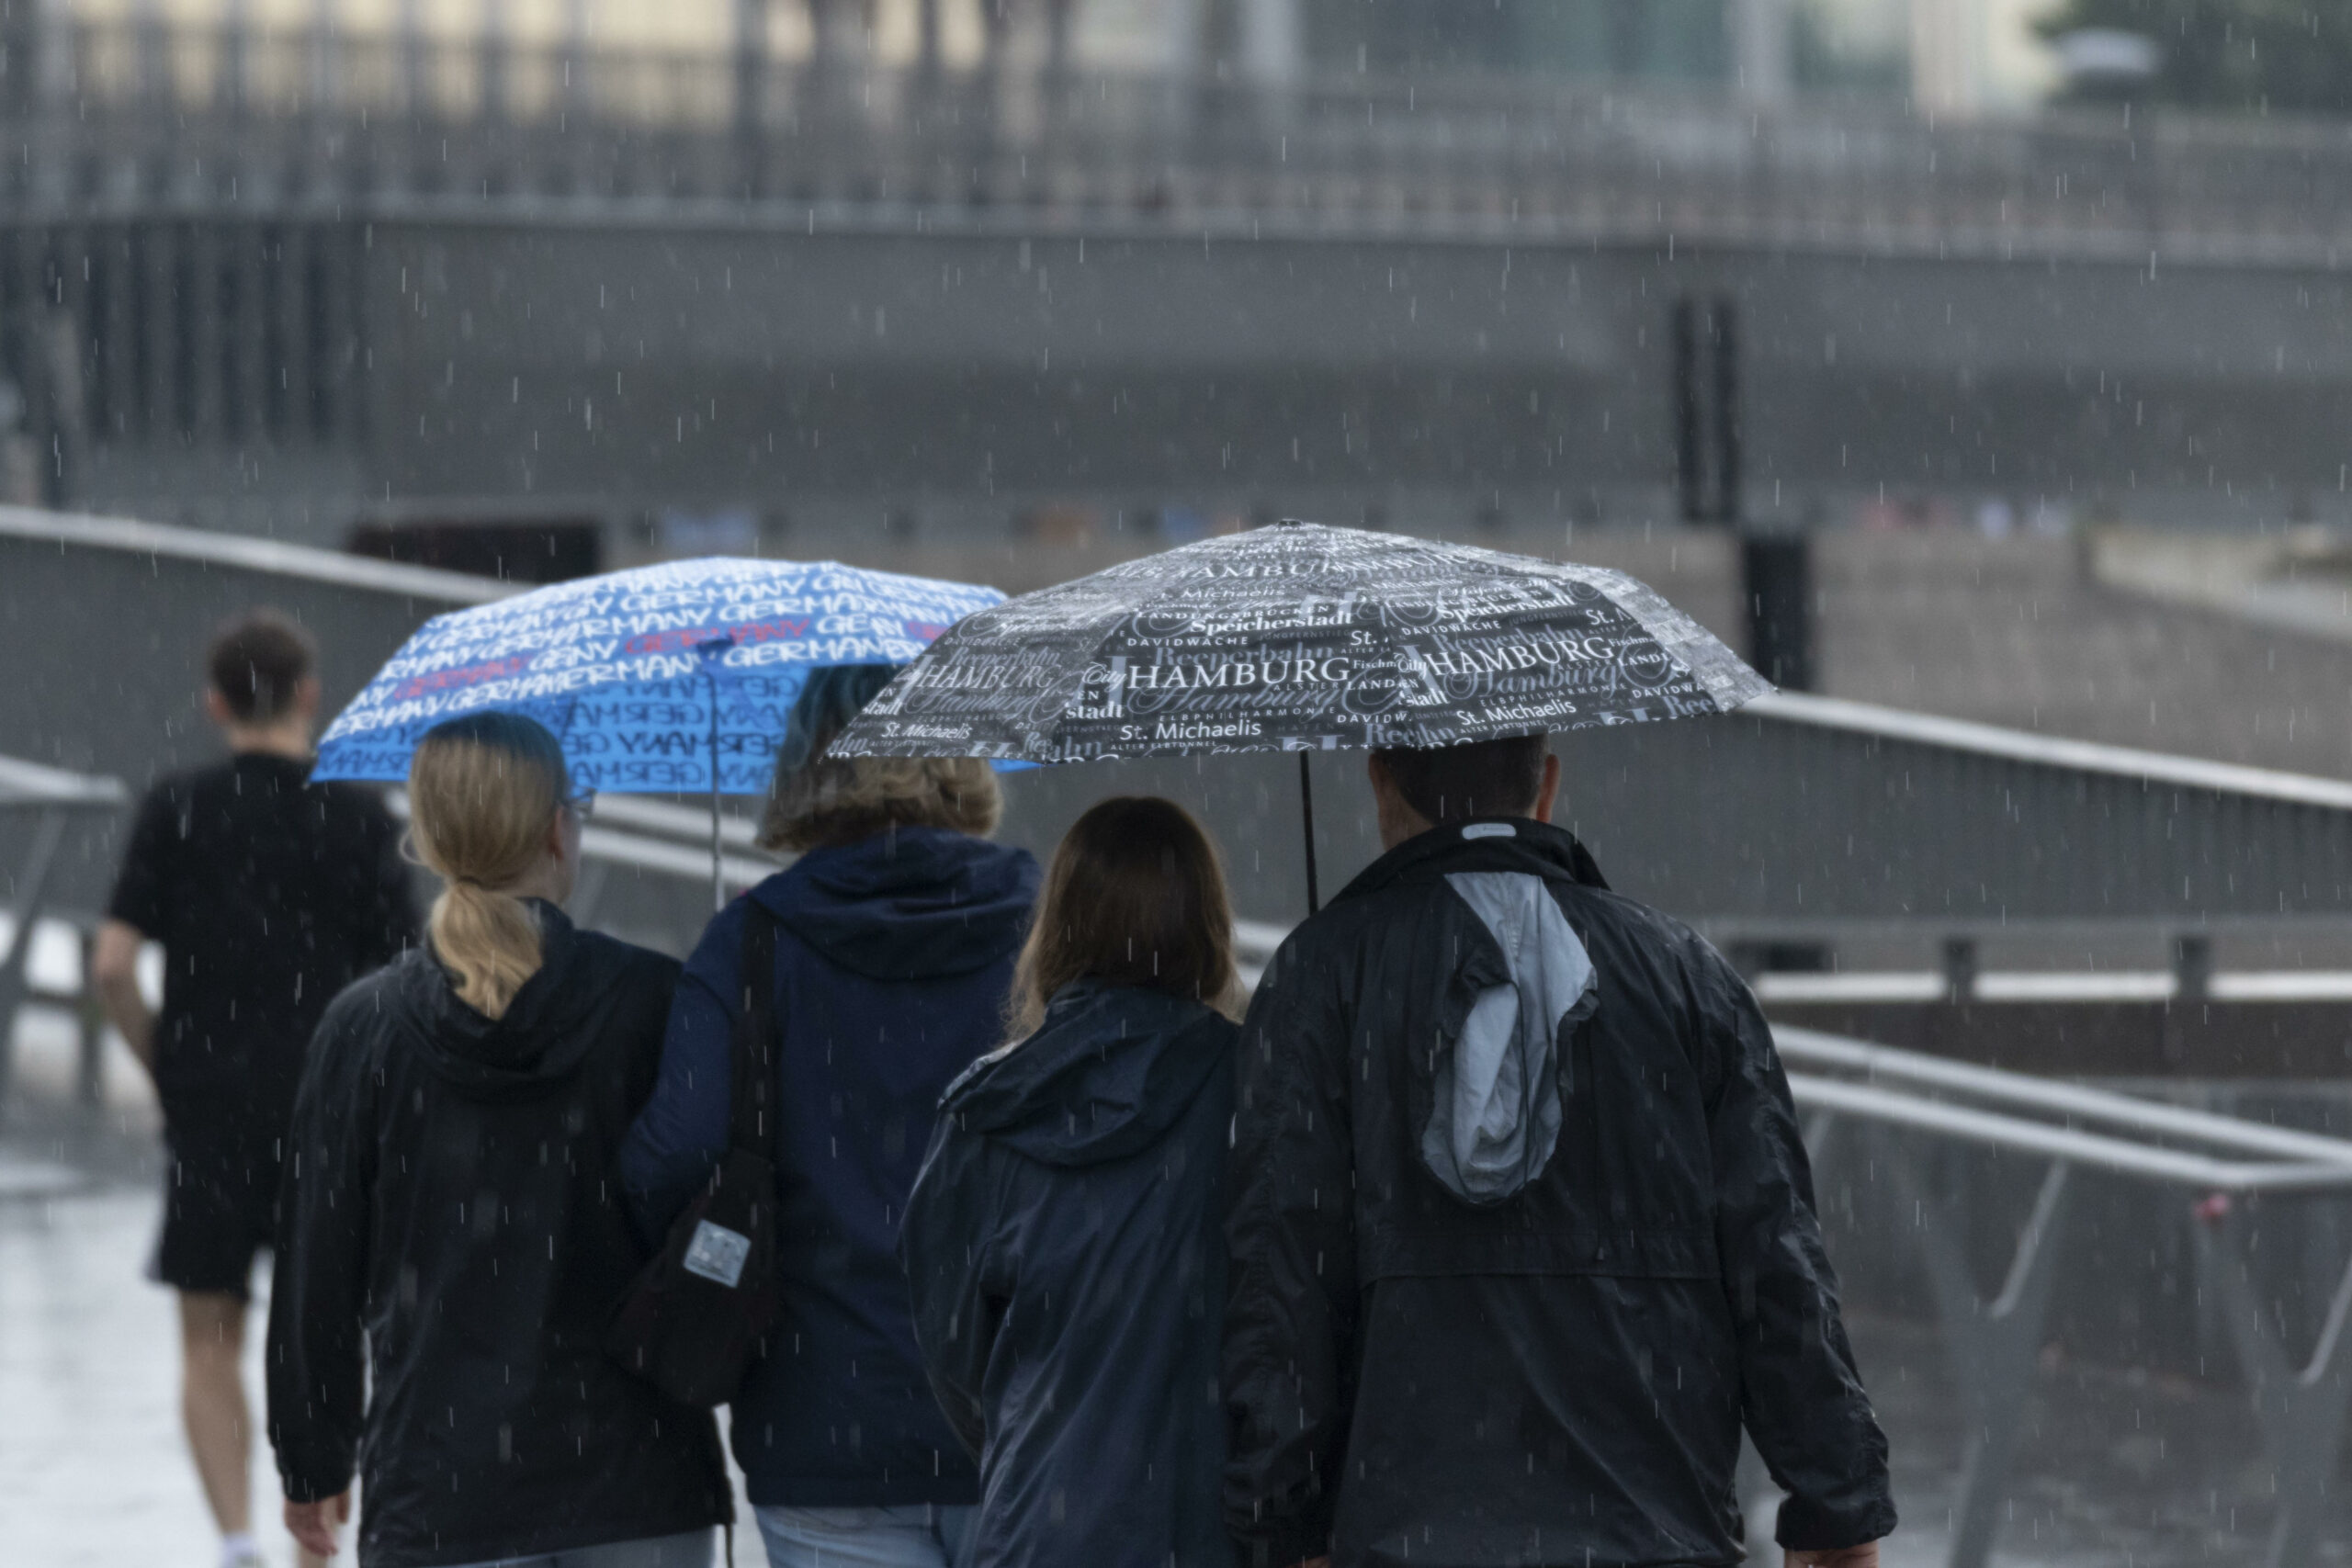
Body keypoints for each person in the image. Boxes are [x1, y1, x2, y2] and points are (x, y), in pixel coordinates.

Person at [1222, 734, 1895, 1568]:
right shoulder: (1687, 979)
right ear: (1546, 784)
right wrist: (1838, 1504)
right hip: (1655, 1532)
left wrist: (1276, 1523)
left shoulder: (1320, 979)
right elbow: (1778, 1265)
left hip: (1406, 1536)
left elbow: (1281, 1283)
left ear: (1380, 782)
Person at [266, 711, 730, 1568]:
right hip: (638, 1477)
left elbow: (316, 1263)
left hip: (440, 1488)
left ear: (432, 838)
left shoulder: (362, 1029)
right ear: (559, 828)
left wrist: (313, 1451)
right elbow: (718, 1209)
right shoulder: (654, 1004)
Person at [619, 665, 1041, 1568]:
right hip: (1025, 1413)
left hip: (825, 1422)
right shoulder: (1046, 923)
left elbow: (674, 1154)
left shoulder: (753, 941)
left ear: (803, 770)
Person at [92, 609, 414, 1568]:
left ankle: (237, 1543)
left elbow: (112, 966)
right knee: (332, 1332)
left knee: (207, 1333)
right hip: (332, 1104)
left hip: (213, 1109)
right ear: (311, 695)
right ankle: (321, 1542)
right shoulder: (361, 816)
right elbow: (407, 976)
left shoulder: (176, 804)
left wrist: (167, 1069)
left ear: (216, 703)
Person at [902, 796, 1244, 1568]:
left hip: (1039, 1527)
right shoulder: (1256, 1086)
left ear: (1057, 926)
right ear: (1205, 926)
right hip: (1212, 1529)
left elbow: (954, 1355)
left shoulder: (983, 1110)